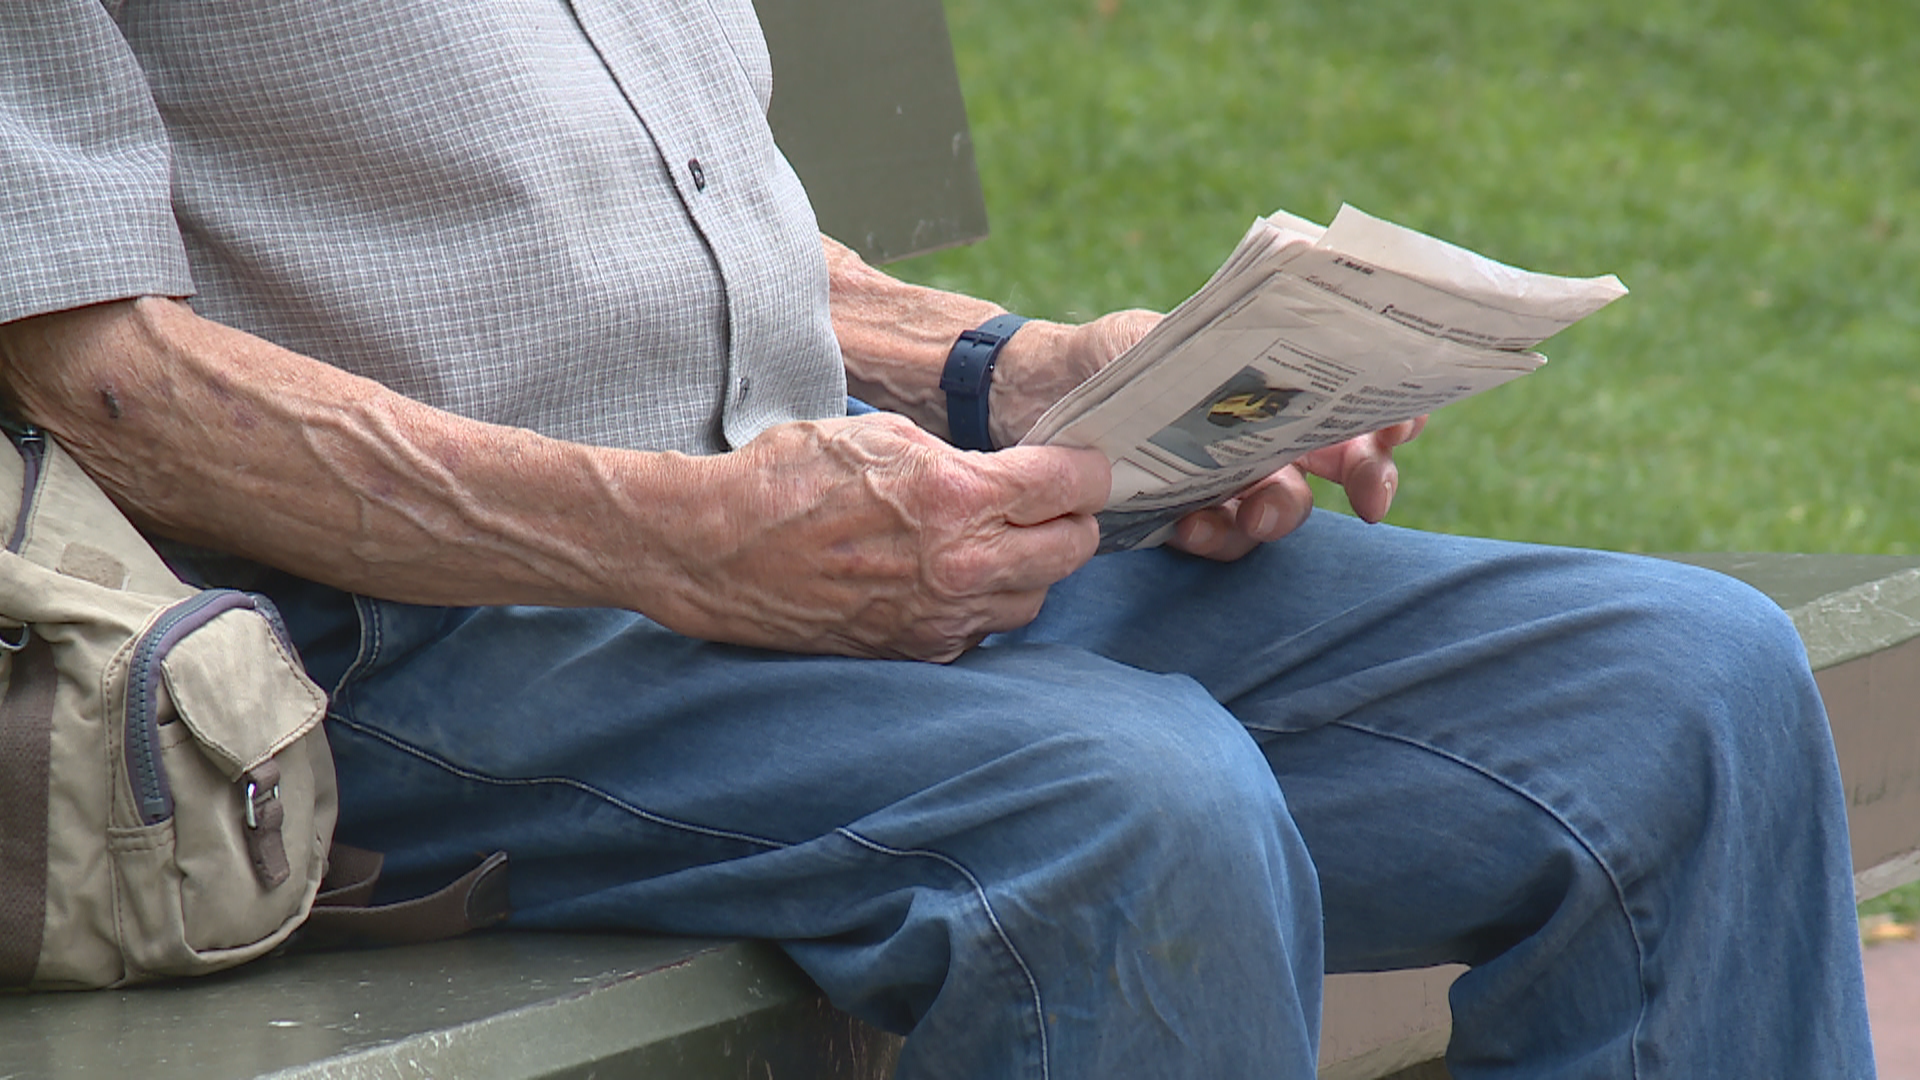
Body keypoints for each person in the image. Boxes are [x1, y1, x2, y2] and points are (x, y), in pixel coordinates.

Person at [0, 4, 1876, 1077]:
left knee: (1680, 692)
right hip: (396, 642)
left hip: (805, 510)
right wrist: (679, 539)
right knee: (1134, 811)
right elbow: (95, 372)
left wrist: (1015, 369)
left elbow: (658, 240)